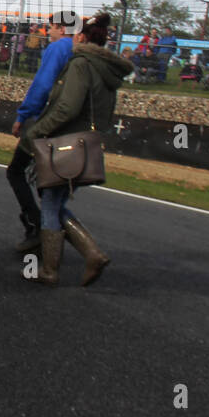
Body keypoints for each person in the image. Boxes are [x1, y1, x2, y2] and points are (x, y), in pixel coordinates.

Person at [19, 15, 131, 286]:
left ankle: (56, 267)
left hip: (66, 145)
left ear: (81, 37)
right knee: (55, 204)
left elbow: (67, 107)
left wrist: (36, 131)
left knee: (50, 202)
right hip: (87, 144)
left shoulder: (81, 64)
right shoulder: (106, 68)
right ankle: (89, 254)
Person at [7, 10, 78, 251]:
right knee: (51, 187)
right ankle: (86, 247)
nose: (49, 32)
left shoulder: (59, 48)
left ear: (62, 28)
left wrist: (22, 115)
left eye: (52, 27)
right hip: (70, 126)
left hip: (45, 122)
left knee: (16, 172)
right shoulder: (80, 50)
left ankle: (35, 225)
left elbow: (42, 85)